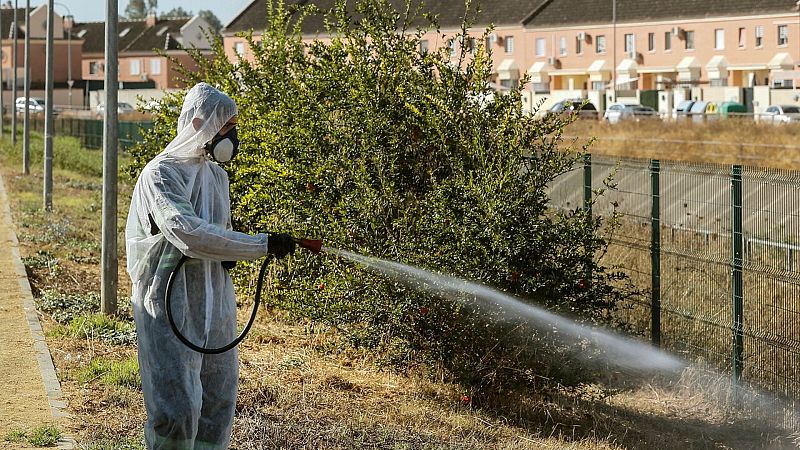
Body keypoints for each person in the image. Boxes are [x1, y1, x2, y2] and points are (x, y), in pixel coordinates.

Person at [126, 82, 295, 449]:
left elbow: (218, 234)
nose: (231, 136)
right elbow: (187, 232)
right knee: (177, 408)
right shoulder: (161, 174)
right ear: (199, 122)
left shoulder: (217, 177)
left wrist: (234, 248)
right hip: (169, 304)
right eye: (226, 127)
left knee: (218, 401)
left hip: (214, 304)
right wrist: (260, 244)